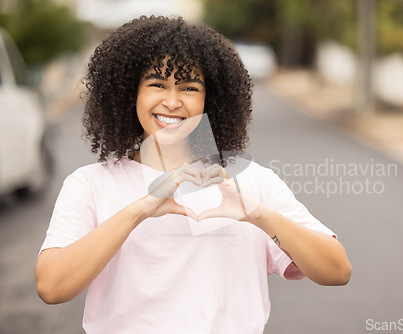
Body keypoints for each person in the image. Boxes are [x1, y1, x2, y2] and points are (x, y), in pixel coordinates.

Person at [36, 16, 351, 334]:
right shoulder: (90, 184)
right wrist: (139, 210)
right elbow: (52, 287)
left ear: (208, 100)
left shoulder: (250, 182)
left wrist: (258, 215)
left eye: (188, 88)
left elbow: (337, 270)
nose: (171, 102)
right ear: (130, 92)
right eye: (157, 85)